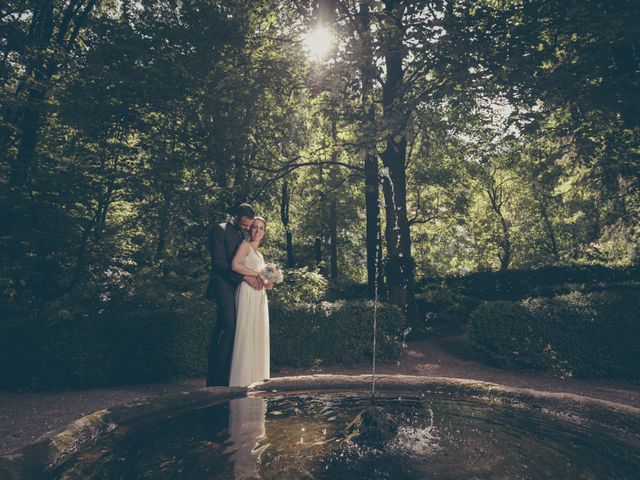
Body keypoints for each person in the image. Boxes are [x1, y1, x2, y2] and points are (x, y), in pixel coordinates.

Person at [205, 203, 263, 387]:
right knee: (228, 324)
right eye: (245, 225)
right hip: (222, 283)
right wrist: (244, 275)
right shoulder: (219, 229)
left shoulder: (243, 235)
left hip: (238, 285)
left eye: (249, 226)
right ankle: (216, 381)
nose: (247, 228)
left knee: (234, 329)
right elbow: (219, 263)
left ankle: (227, 376)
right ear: (236, 217)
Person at [228, 217, 272, 387]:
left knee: (257, 333)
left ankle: (257, 379)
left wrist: (269, 282)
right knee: (246, 333)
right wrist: (257, 275)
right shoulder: (245, 246)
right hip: (247, 293)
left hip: (259, 296)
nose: (257, 231)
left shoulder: (260, 255)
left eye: (261, 228)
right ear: (249, 229)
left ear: (264, 233)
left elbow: (264, 279)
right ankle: (242, 381)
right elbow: (235, 265)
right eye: (254, 227)